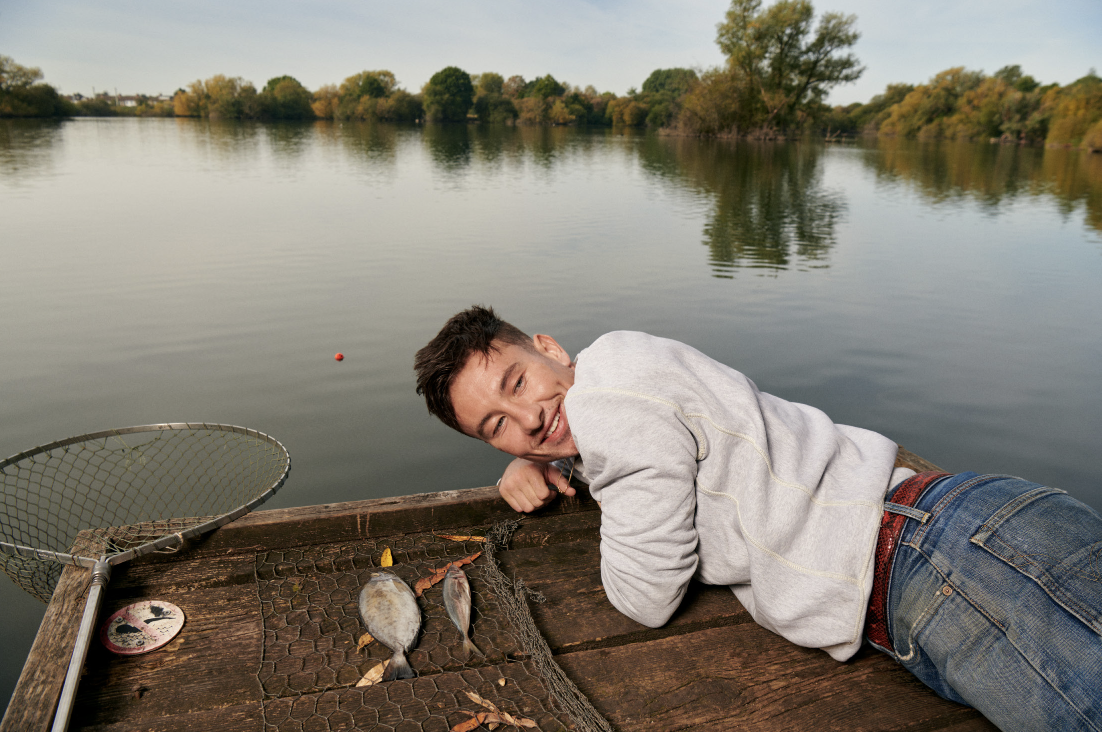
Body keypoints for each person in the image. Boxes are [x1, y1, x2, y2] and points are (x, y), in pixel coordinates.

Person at [414, 305, 1102, 732]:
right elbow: (640, 448)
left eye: (518, 383)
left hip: (940, 574)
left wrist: (560, 462)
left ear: (550, 348)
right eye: (497, 426)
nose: (529, 416)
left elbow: (643, 597)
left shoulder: (607, 407)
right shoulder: (620, 368)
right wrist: (546, 466)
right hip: (954, 536)